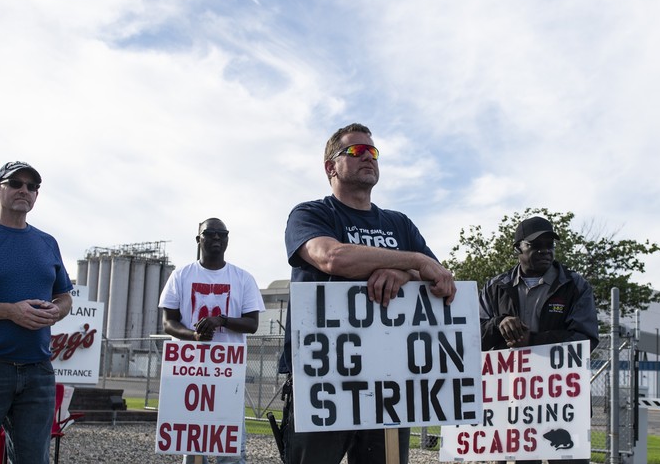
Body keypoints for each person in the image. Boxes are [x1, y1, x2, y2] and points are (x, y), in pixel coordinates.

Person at [279, 122, 457, 464]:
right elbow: (332, 258)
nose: (369, 157)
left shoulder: (399, 224)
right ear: (331, 166)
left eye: (373, 152)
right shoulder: (310, 213)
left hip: (388, 380)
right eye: (357, 151)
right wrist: (413, 261)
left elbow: (439, 280)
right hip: (324, 377)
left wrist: (402, 273)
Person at [0, 161, 73, 464]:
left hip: (38, 371)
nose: (24, 190)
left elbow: (64, 296)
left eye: (32, 186)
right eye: (16, 183)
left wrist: (57, 310)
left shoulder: (47, 242)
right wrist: (11, 312)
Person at [159, 217, 265, 464]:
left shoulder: (243, 278)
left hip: (228, 374)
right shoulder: (181, 275)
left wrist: (221, 320)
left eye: (222, 233)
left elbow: (252, 324)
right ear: (199, 239)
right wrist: (194, 336)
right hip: (191, 372)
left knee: (232, 451)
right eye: (210, 233)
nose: (216, 238)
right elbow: (168, 322)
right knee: (193, 449)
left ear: (227, 239)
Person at [480, 216, 600, 354]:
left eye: (550, 245)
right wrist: (498, 324)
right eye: (535, 245)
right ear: (517, 248)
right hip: (507, 373)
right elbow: (472, 337)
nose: (545, 251)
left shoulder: (575, 285)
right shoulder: (495, 287)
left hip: (555, 375)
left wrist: (533, 341)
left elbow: (586, 340)